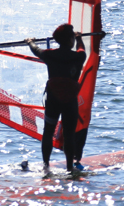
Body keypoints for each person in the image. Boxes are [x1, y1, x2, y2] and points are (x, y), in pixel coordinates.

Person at [27, 24, 87, 174]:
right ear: (70, 40)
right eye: (73, 37)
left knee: (48, 132)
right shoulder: (79, 57)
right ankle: (69, 168)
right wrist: (80, 39)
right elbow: (82, 48)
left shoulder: (49, 54)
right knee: (69, 134)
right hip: (70, 101)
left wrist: (30, 42)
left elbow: (36, 50)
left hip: (53, 98)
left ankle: (46, 166)